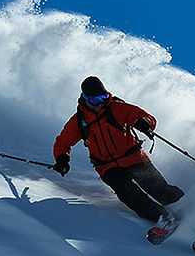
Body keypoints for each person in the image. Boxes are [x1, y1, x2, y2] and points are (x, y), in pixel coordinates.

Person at [53, 76, 184, 225]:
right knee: (127, 192)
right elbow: (62, 143)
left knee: (157, 187)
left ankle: (187, 209)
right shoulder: (79, 121)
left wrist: (144, 123)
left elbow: (146, 117)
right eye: (95, 101)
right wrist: (62, 159)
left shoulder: (116, 108)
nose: (100, 104)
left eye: (103, 98)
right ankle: (162, 219)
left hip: (133, 157)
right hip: (106, 166)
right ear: (85, 99)